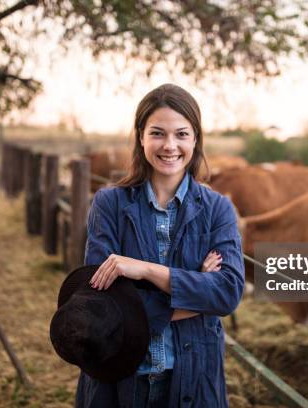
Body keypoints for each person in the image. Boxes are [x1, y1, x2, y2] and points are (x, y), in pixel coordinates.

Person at [76, 83, 245, 408]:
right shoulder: (109, 204)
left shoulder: (217, 209)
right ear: (141, 136)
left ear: (196, 139)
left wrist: (145, 271)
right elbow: (104, 306)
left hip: (194, 377)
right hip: (119, 375)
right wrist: (196, 297)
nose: (170, 146)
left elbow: (227, 293)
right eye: (158, 133)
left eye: (182, 134)